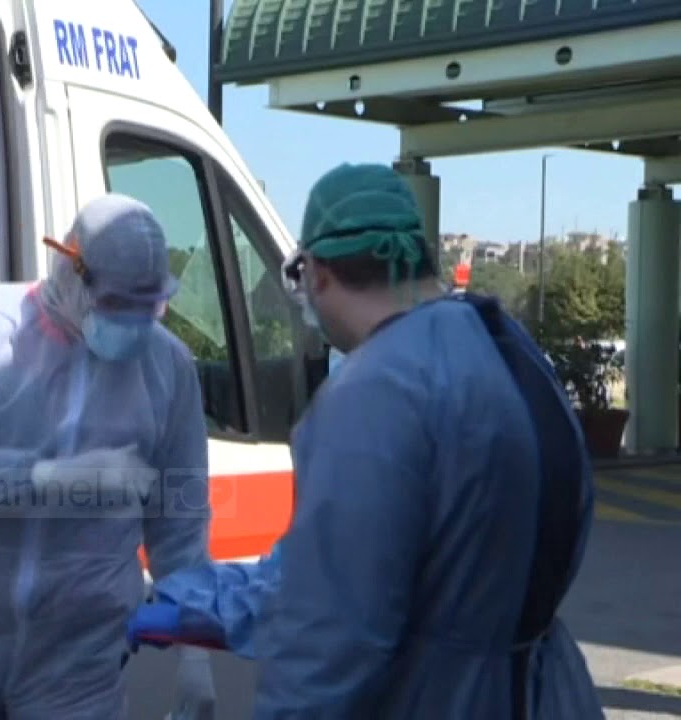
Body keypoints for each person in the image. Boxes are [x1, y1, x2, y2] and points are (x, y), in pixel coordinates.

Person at [128, 163, 603, 719]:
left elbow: (327, 635)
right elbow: (372, 572)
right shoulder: (509, 347)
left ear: (316, 273)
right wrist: (189, 602)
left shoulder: (374, 390)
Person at [0, 193, 216, 719]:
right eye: (118, 304)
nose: (134, 323)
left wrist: (195, 646)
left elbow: (180, 524)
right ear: (70, 268)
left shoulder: (167, 367)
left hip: (79, 657)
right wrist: (53, 478)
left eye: (148, 305)